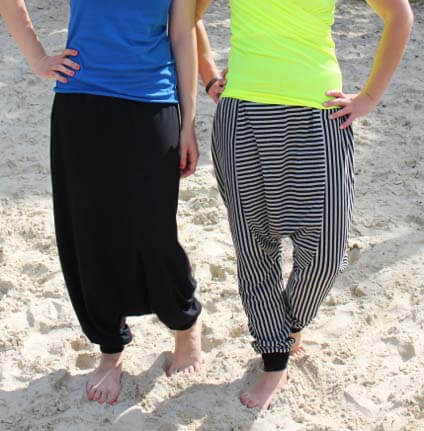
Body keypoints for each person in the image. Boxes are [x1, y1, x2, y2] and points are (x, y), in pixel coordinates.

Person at [195, 0, 413, 409]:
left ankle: (288, 325)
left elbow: (399, 15)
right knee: (255, 248)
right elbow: (188, 15)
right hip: (242, 116)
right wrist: (208, 76)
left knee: (327, 252)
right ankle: (274, 357)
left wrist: (370, 96)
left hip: (320, 117)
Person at [1, 0, 203, 405]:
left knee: (155, 232)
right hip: (82, 102)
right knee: (91, 234)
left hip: (153, 100)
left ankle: (185, 326)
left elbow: (182, 36)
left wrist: (188, 124)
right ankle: (110, 348)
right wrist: (38, 58)